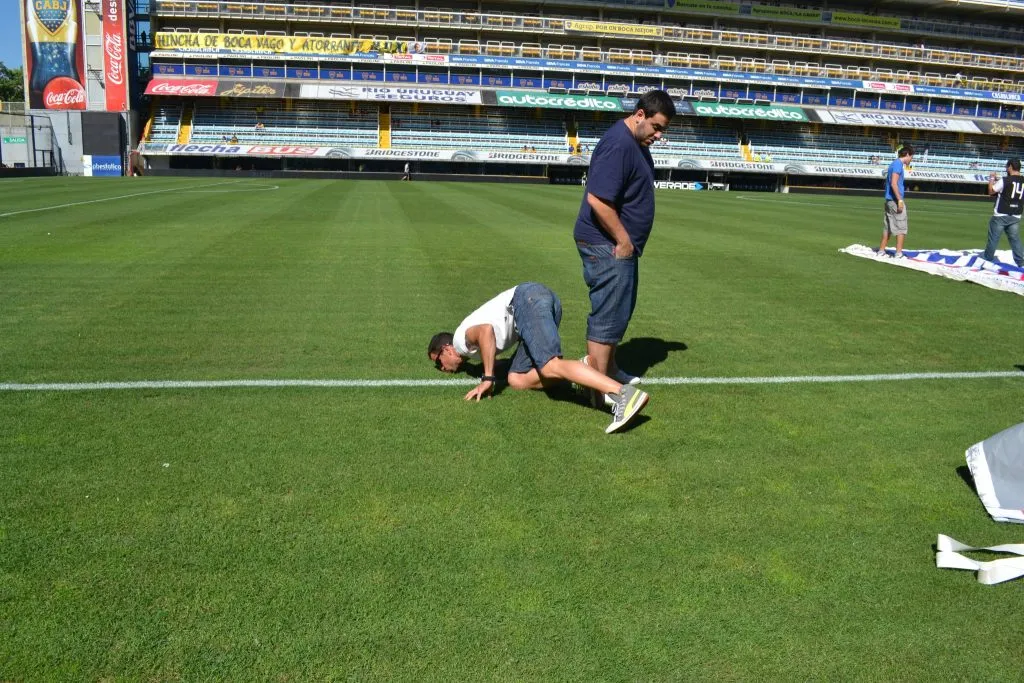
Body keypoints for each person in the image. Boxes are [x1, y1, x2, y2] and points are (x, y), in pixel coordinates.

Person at [428, 283, 650, 433]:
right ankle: (583, 372)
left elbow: (486, 331)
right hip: (536, 302)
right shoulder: (471, 353)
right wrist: (494, 370)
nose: (442, 368)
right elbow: (497, 356)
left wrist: (487, 378)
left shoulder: (459, 341)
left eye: (438, 362)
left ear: (447, 350)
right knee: (517, 378)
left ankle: (624, 395)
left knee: (550, 365)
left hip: (528, 301)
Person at [573, 89, 676, 391]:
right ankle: (598, 386)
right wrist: (624, 240)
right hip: (606, 243)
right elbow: (598, 199)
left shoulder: (635, 142)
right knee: (607, 314)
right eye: (656, 127)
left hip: (617, 245)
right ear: (640, 114)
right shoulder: (618, 144)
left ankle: (610, 368)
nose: (658, 135)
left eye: (663, 131)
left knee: (619, 311)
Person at [982, 158, 1024, 267]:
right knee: (1015, 239)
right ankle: (1021, 262)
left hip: (1001, 214)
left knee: (994, 239)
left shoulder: (1005, 180)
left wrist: (992, 178)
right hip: (1016, 214)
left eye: (1007, 166)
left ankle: (987, 260)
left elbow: (991, 191)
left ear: (1010, 167)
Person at [878, 145, 913, 259]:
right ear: (907, 154)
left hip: (889, 200)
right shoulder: (898, 164)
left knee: (888, 226)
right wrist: (900, 200)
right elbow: (894, 183)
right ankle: (898, 253)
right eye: (911, 157)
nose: (911, 159)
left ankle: (881, 251)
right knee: (901, 227)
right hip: (894, 200)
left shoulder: (893, 164)